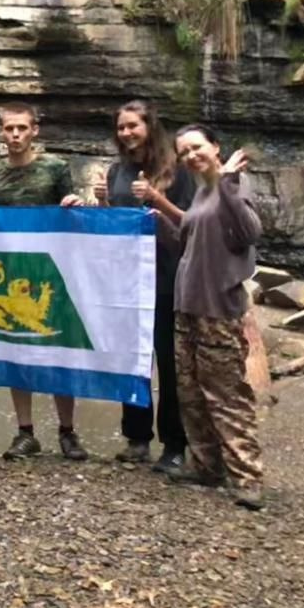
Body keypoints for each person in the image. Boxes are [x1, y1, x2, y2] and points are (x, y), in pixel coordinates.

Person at [0, 102, 87, 462]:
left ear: (34, 130)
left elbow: (71, 214)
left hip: (51, 271)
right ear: (1, 131)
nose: (15, 135)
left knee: (59, 347)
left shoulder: (56, 168)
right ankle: (26, 433)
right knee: (16, 349)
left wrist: (74, 203)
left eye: (22, 128)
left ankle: (67, 431)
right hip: (11, 273)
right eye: (9, 128)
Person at [93, 101, 194, 474]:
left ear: (150, 126)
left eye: (133, 126)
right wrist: (102, 202)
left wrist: (156, 198)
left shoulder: (178, 171)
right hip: (127, 279)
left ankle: (175, 444)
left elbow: (190, 225)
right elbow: (112, 225)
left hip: (167, 277)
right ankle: (136, 438)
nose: (126, 133)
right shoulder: (117, 170)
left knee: (168, 363)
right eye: (121, 127)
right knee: (131, 360)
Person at [169, 125, 264, 510]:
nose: (191, 156)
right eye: (184, 152)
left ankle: (247, 476)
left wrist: (226, 182)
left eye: (197, 147)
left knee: (226, 394)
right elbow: (193, 244)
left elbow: (250, 232)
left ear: (215, 147)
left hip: (218, 309)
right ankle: (206, 465)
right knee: (190, 392)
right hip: (188, 306)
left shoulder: (232, 185)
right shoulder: (201, 192)